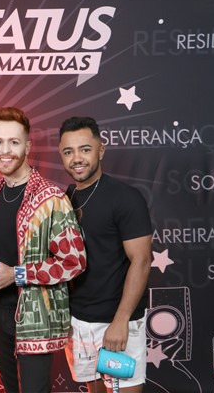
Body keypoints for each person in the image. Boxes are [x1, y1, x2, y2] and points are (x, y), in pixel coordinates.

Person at [0, 107, 87, 393]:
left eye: (14, 142)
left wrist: (16, 274)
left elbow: (74, 261)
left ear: (27, 147)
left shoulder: (51, 198)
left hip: (36, 319)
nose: (5, 151)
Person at [58, 117, 152, 393]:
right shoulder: (67, 197)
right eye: (68, 151)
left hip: (117, 323)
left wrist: (121, 321)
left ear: (101, 150)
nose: (77, 158)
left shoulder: (125, 197)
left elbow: (141, 261)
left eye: (85, 149)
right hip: (79, 321)